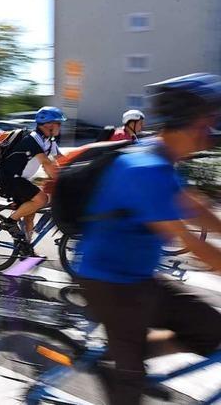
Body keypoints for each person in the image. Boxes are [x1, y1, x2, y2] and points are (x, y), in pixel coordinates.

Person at [75, 73, 221, 404]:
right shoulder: (144, 169)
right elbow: (192, 242)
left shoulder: (162, 157)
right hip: (110, 284)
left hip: (138, 277)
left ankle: (123, 356)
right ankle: (124, 367)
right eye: (208, 121)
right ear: (187, 122)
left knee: (212, 329)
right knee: (129, 391)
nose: (211, 132)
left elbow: (195, 209)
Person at [0, 106, 65, 239]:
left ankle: (26, 248)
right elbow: (46, 164)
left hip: (21, 179)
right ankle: (9, 222)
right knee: (42, 199)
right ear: (48, 125)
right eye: (58, 123)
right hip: (8, 178)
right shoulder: (31, 140)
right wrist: (63, 182)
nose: (60, 127)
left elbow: (62, 160)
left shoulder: (49, 141)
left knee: (29, 215)